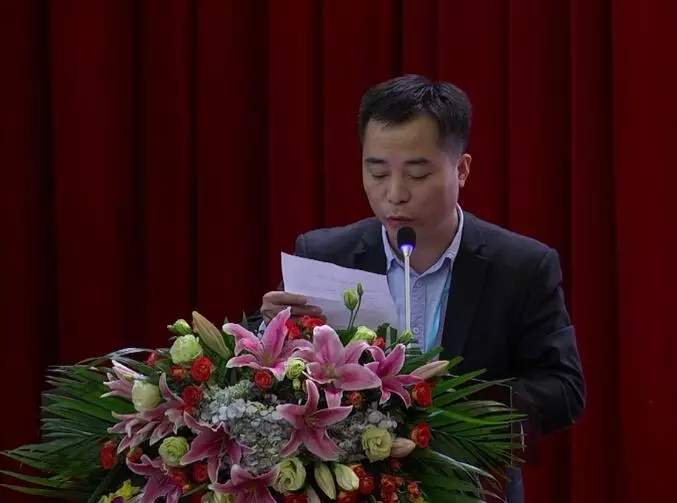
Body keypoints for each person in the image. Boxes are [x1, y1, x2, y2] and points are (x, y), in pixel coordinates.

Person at [255, 75, 585, 503]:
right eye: (377, 172)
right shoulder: (323, 255)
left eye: (418, 173)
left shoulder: (521, 267)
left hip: (469, 491)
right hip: (351, 488)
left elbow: (563, 388)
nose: (394, 194)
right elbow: (269, 374)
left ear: (461, 170)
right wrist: (268, 329)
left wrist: (449, 407)